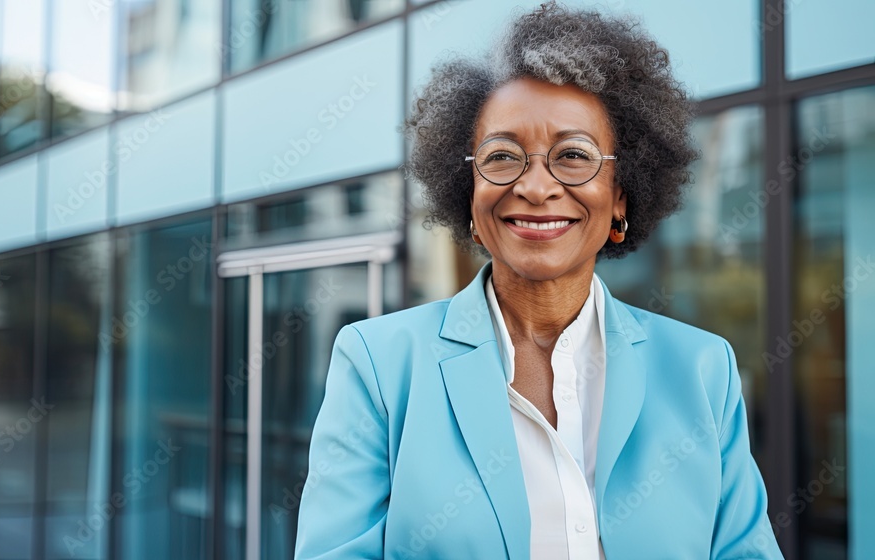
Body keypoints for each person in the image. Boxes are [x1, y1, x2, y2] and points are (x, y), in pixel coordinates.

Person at [295, 3, 783, 558]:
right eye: (502, 157)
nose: (535, 186)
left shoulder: (701, 370)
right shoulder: (379, 366)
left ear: (621, 193)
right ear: (469, 196)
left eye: (573, 156)